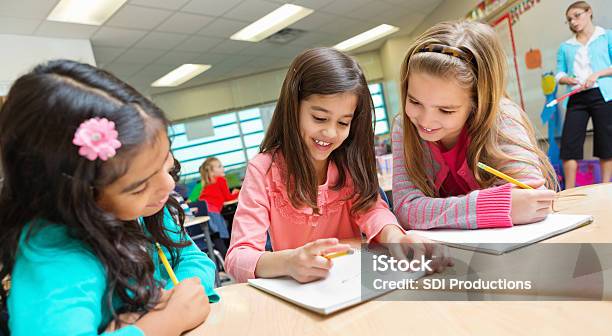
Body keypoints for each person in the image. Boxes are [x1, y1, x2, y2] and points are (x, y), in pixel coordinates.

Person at [0, 60, 218, 336]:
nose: (167, 185)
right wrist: (166, 321)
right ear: (79, 196)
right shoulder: (55, 250)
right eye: (138, 186)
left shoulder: (147, 208)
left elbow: (194, 260)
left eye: (166, 162)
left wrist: (170, 300)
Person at [226, 48, 449, 284]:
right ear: (293, 108)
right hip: (300, 292)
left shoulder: (348, 161)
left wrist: (395, 237)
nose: (331, 133)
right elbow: (238, 257)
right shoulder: (264, 169)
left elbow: (372, 209)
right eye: (320, 118)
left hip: (350, 285)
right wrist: (289, 262)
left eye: (343, 122)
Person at [392, 20, 557, 230]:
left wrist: (438, 211)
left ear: (478, 103)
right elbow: (406, 210)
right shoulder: (404, 126)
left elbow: (531, 201)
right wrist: (489, 206)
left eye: (446, 110)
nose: (425, 121)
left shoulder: (502, 116)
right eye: (414, 101)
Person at [556, 1, 612, 189]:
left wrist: (597, 74)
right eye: (569, 19)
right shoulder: (565, 46)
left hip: (602, 94)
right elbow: (559, 74)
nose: (573, 21)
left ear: (589, 13)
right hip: (577, 96)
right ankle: (569, 191)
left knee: (606, 141)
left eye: (577, 15)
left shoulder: (606, 36)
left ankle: (606, 187)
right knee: (569, 144)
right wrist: (568, 80)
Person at [197, 157, 239, 257]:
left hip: (203, 209)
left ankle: (221, 260)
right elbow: (228, 198)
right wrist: (239, 192)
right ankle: (227, 259)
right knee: (221, 234)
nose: (222, 168)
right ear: (212, 171)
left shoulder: (208, 183)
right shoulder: (220, 180)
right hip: (212, 211)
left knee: (214, 235)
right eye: (219, 166)